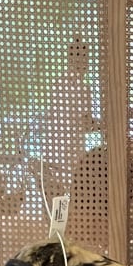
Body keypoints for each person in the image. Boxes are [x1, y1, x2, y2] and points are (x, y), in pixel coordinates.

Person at [43, 37, 97, 186]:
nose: (86, 65)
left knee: (58, 195)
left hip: (54, 154)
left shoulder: (57, 84)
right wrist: (108, 124)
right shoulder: (82, 89)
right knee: (72, 192)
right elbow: (87, 125)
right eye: (85, 59)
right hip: (71, 154)